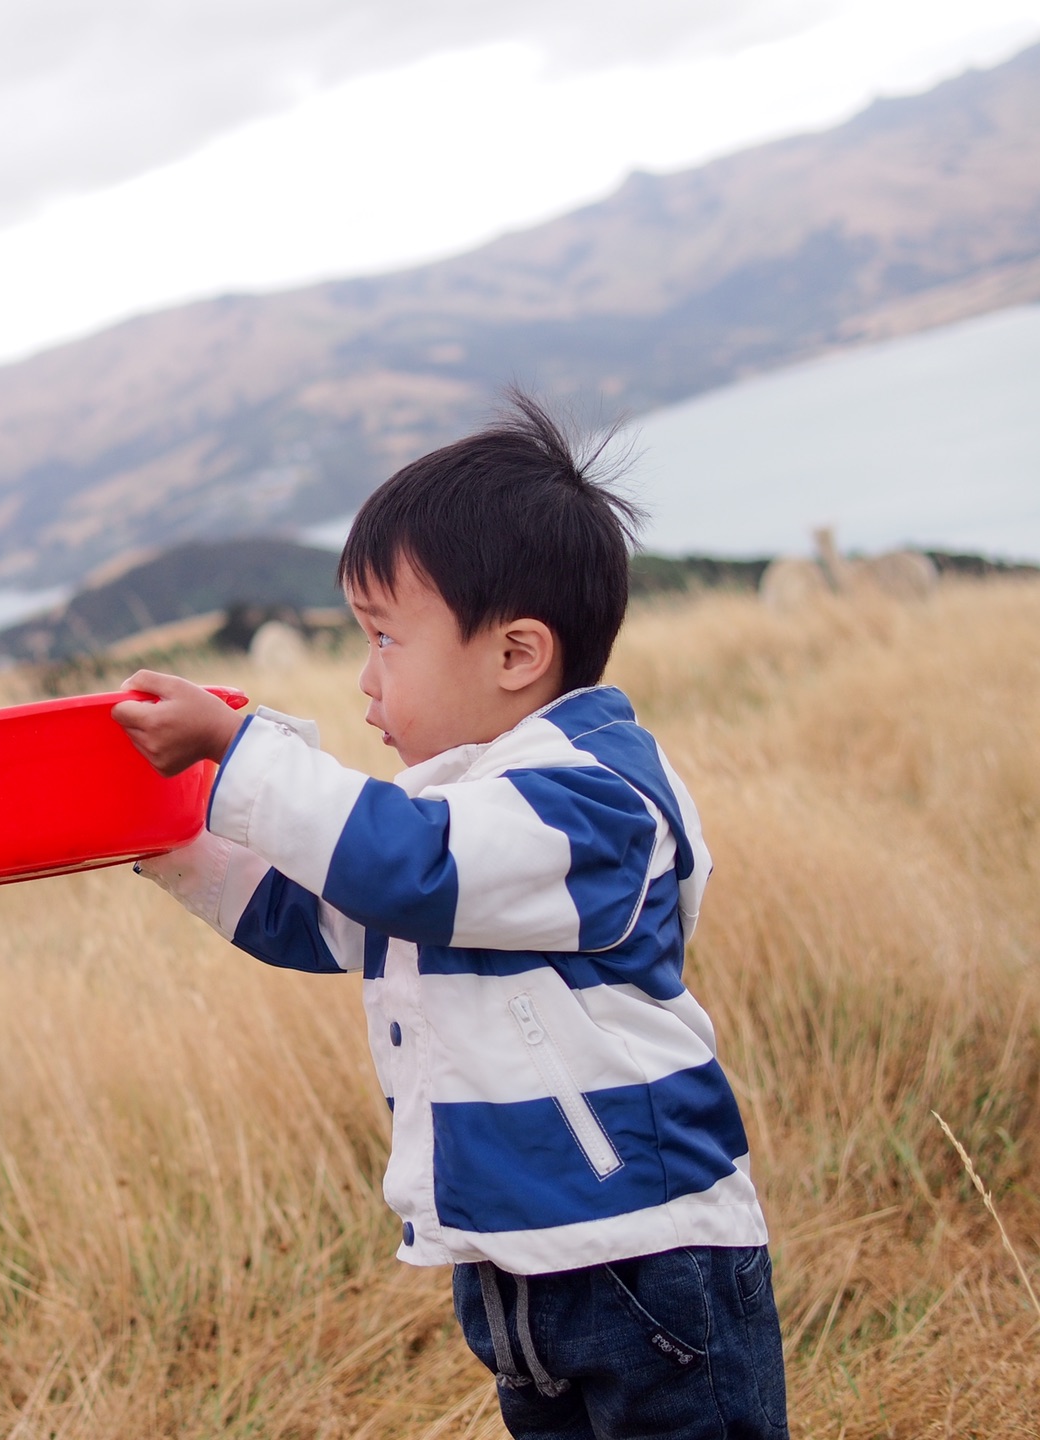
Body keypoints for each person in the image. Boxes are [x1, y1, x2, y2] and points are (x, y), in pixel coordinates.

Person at [111, 392, 788, 1439]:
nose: (365, 678)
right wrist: (172, 846)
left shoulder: (594, 801)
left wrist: (244, 755)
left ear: (517, 655)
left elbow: (406, 868)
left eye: (386, 639)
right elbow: (322, 914)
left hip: (644, 1255)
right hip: (514, 1261)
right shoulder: (458, 809)